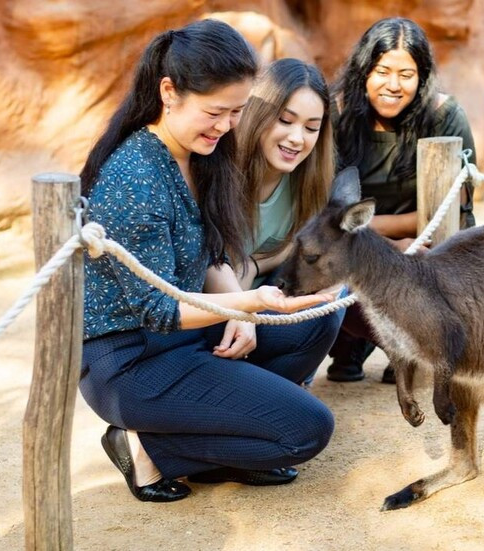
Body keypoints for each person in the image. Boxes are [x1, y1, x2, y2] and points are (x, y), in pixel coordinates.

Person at [78, 20, 337, 503]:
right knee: (307, 430)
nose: (227, 126)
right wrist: (247, 303)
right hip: (133, 360)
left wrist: (237, 306)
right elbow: (158, 310)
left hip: (188, 337)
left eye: (238, 112)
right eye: (216, 111)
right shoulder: (135, 178)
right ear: (169, 92)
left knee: (314, 320)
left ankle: (228, 445)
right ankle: (147, 447)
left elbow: (212, 248)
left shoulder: (202, 153)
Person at [328, 17, 478, 383]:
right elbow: (323, 212)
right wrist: (392, 243)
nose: (393, 85)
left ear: (422, 76)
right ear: (364, 70)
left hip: (429, 242)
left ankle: (412, 347)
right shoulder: (335, 112)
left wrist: (408, 244)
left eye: (406, 74)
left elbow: (452, 206)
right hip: (357, 245)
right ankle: (349, 340)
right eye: (382, 71)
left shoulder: (444, 115)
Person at [234, 58, 333, 291]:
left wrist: (254, 266)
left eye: (311, 128)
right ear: (258, 114)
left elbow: (311, 240)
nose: (297, 138)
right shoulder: (223, 169)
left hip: (270, 297)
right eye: (285, 121)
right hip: (212, 305)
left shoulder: (309, 179)